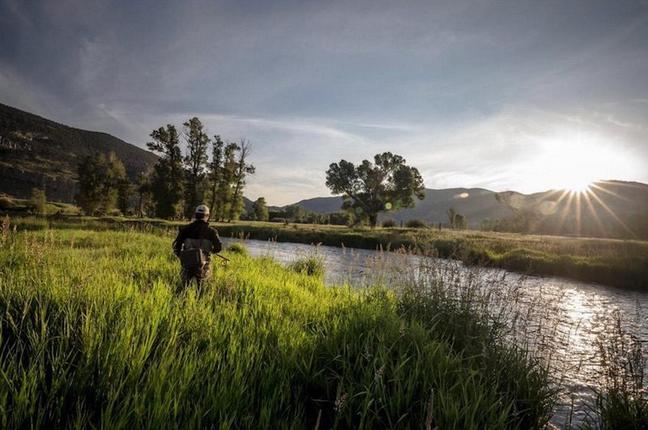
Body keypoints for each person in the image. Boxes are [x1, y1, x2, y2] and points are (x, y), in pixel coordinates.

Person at [173, 204, 222, 288]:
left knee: (184, 288)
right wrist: (210, 252)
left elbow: (176, 247)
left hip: (187, 264)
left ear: (196, 215)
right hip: (204, 264)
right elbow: (218, 248)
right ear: (207, 216)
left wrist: (182, 257)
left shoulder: (185, 229)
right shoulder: (212, 231)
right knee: (202, 289)